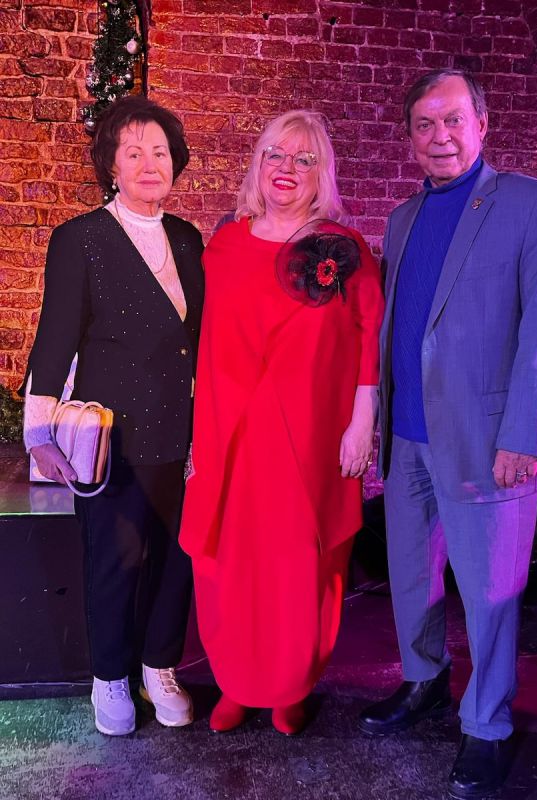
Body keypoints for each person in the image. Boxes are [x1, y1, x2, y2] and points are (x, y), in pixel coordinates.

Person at [358, 70, 537, 799]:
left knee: (490, 593)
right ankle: (424, 681)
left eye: (453, 120)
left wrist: (526, 435)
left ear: (483, 123)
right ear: (409, 137)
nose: (439, 136)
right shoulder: (401, 219)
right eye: (424, 124)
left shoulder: (532, 202)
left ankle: (487, 725)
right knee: (412, 578)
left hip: (489, 440)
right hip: (408, 437)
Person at [179, 109, 384, 735]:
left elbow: (369, 338)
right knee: (230, 566)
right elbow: (204, 343)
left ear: (322, 173)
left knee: (299, 567)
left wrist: (362, 422)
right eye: (275, 154)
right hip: (233, 434)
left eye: (304, 159)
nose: (286, 168)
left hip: (309, 436)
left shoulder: (343, 250)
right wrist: (196, 432)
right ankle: (237, 684)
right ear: (258, 164)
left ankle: (291, 686)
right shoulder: (224, 246)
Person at [22, 95, 204, 736]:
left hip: (183, 433)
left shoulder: (188, 239)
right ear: (112, 166)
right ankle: (110, 677)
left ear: (175, 162)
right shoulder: (81, 239)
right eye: (134, 153)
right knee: (114, 560)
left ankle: (160, 667)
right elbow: (55, 336)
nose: (150, 164)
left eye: (160, 152)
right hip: (113, 437)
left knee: (177, 559)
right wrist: (40, 431)